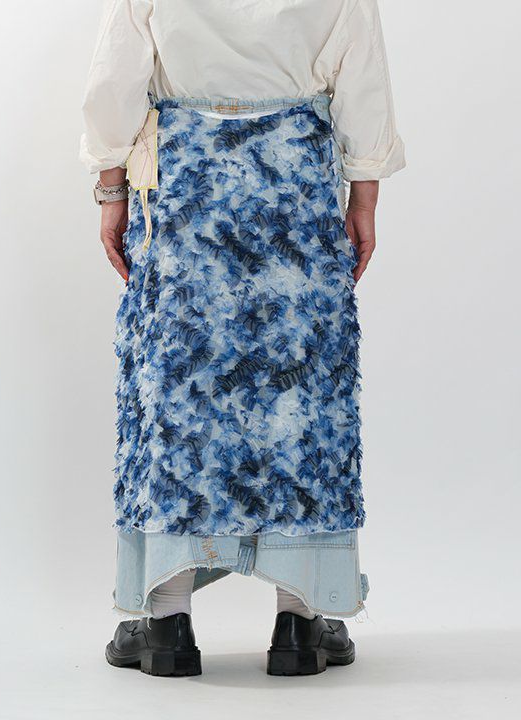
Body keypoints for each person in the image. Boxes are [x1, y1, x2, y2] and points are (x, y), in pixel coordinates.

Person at [80, 0, 405, 677]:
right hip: (296, 180)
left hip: (185, 185)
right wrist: (364, 198)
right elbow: (362, 76)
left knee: (176, 389)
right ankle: (301, 622)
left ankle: (166, 623)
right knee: (303, 393)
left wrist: (111, 192)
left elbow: (117, 76)